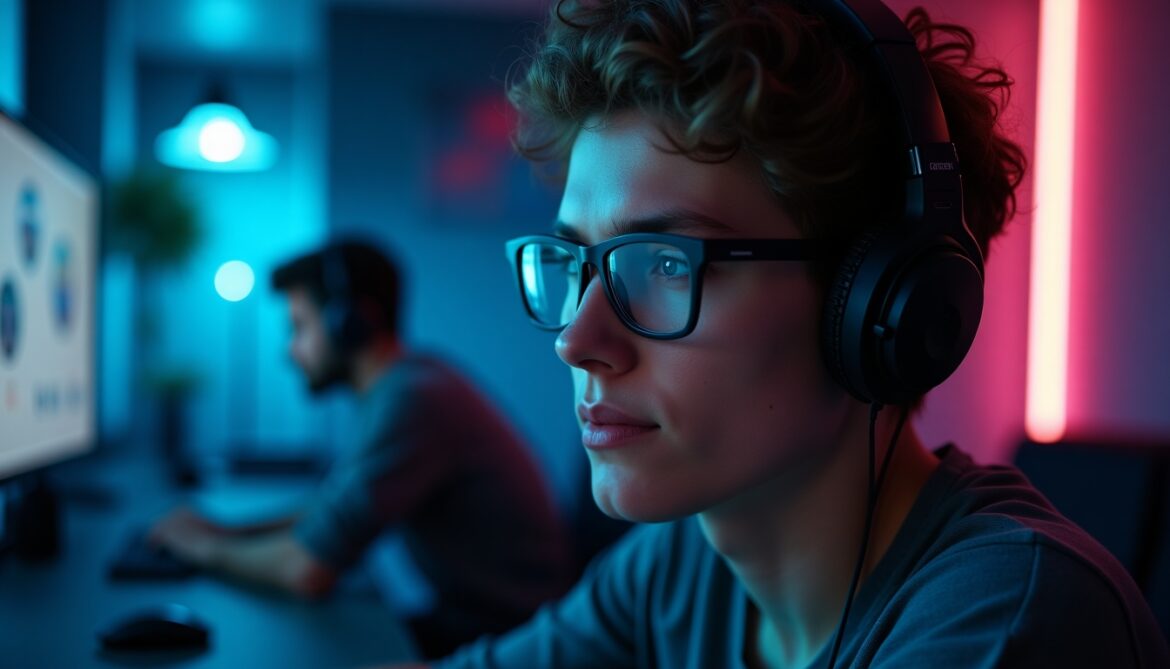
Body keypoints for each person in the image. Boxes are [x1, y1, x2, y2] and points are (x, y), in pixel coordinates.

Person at [413, 1, 1170, 667]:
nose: (576, 340)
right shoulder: (682, 566)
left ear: (872, 304)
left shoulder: (1011, 616)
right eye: (575, 261)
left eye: (666, 263)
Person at [151, 239, 573, 658]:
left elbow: (306, 571)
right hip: (482, 624)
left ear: (349, 323)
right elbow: (331, 506)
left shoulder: (415, 400)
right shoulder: (407, 385)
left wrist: (202, 550)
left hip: (513, 644)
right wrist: (226, 529)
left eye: (298, 327)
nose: (289, 349)